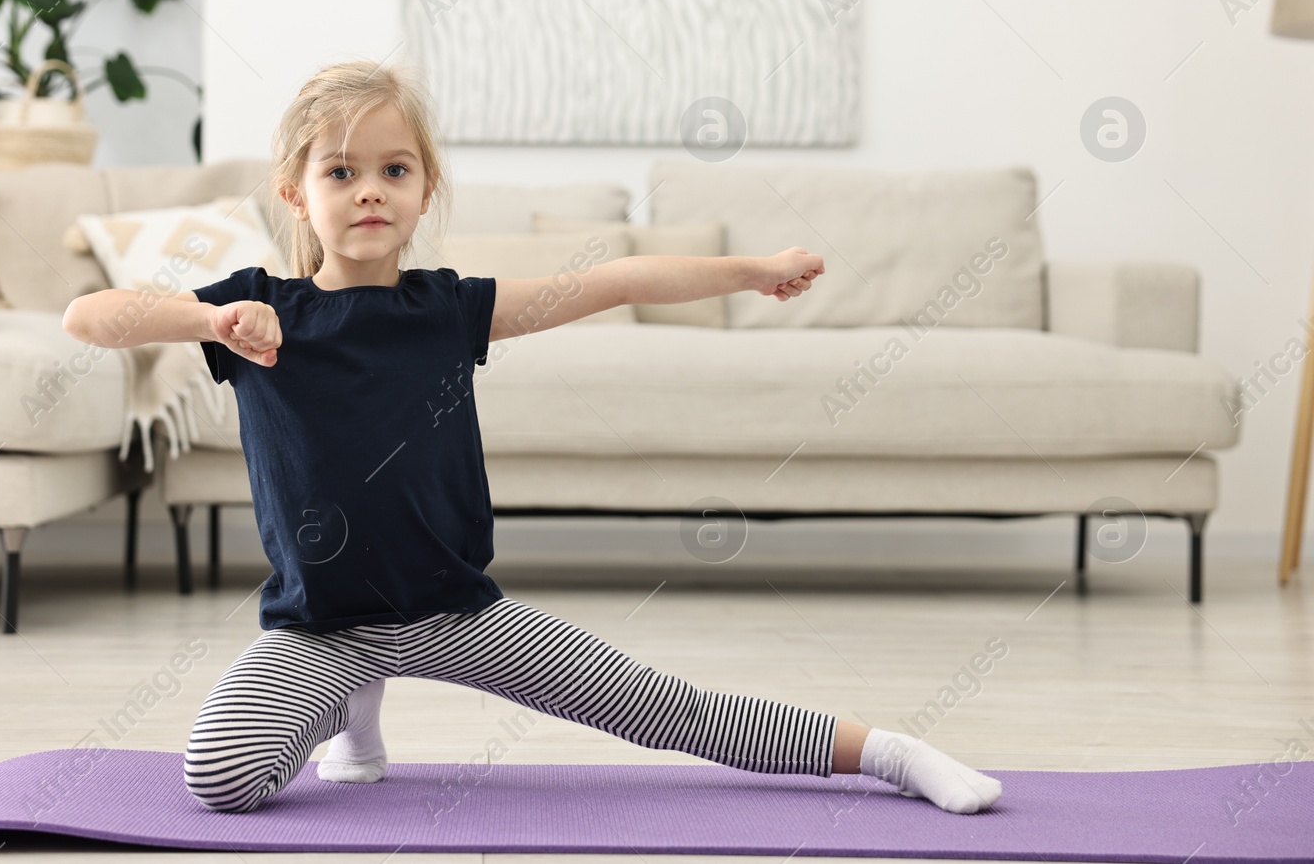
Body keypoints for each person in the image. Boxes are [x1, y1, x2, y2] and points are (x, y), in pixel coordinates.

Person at [61, 59, 1004, 817]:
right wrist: (209, 323)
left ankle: (888, 751)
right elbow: (88, 317)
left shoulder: (450, 309)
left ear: (426, 187)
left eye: (395, 169)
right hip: (321, 626)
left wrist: (753, 268)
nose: (370, 191)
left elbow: (618, 280)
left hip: (457, 611)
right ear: (296, 194)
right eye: (340, 172)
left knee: (656, 703)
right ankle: (352, 706)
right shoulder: (257, 308)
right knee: (220, 781)